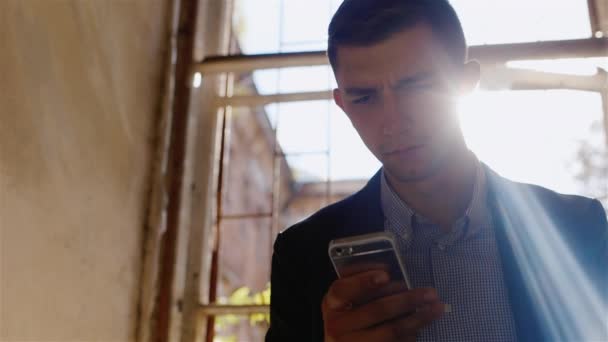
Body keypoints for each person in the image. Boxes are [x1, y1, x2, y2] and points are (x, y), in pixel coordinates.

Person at [265, 0, 608, 341]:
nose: (394, 122)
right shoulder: (302, 257)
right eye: (365, 98)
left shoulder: (576, 226)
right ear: (342, 105)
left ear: (465, 83)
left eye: (417, 85)